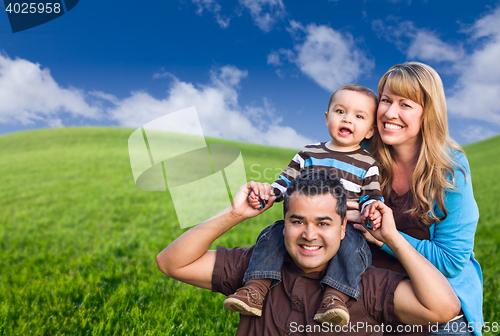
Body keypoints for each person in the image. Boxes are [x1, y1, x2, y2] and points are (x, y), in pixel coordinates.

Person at [156, 170, 461, 336]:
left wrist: (392, 239)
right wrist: (234, 214)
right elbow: (171, 263)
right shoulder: (256, 270)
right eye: (298, 221)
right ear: (283, 224)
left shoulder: (364, 284)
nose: (309, 235)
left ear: (344, 227)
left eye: (323, 223)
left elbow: (443, 309)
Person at [224, 84, 384, 326]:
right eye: (340, 111)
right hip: (301, 222)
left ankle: (335, 298)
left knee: (353, 248)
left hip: (343, 228)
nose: (347, 119)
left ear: (370, 130)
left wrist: (371, 210)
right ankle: (255, 288)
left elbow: (372, 196)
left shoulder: (367, 163)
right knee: (273, 235)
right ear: (327, 117)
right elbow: (284, 182)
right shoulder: (308, 153)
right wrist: (267, 195)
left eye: (359, 116)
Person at [355, 62, 483, 336]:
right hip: (371, 290)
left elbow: (450, 261)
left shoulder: (450, 168)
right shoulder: (360, 152)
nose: (390, 113)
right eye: (386, 100)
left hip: (437, 300)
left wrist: (386, 237)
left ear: (428, 114)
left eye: (406, 105)